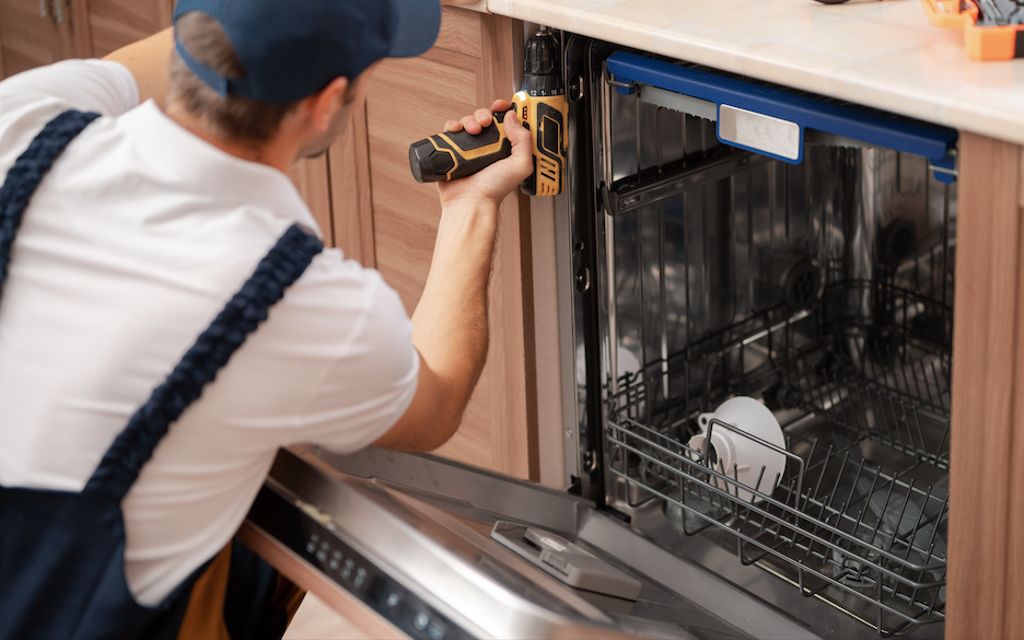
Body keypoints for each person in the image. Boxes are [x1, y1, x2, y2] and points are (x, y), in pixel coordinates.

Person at [0, 0, 533, 637]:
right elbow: (436, 399)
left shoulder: (24, 117)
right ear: (326, 101)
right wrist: (472, 203)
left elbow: (146, 61)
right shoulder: (288, 299)